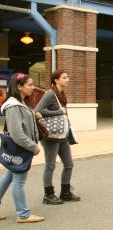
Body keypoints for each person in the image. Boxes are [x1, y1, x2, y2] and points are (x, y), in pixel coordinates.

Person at [0, 73, 44, 223]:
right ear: (19, 87)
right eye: (29, 85)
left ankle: (22, 212)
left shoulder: (21, 103)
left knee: (7, 177)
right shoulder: (13, 106)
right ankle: (23, 214)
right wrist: (33, 147)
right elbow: (17, 133)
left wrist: (34, 115)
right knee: (19, 181)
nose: (33, 87)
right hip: (20, 148)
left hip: (20, 147)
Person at [34, 70, 79, 204]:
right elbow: (37, 110)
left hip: (62, 134)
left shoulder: (61, 94)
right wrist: (58, 111)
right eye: (64, 77)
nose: (68, 79)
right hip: (50, 136)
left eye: (67, 77)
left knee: (69, 164)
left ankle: (65, 192)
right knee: (50, 165)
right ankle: (48, 195)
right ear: (56, 80)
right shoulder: (50, 94)